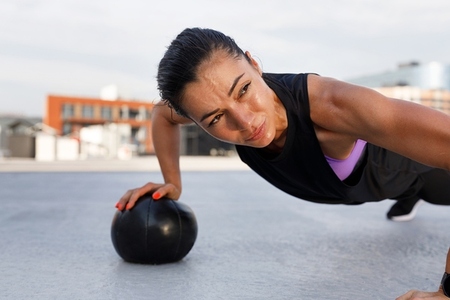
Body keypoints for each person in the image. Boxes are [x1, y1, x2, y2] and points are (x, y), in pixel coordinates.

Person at [116, 27, 450, 298]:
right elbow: (162, 113)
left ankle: (414, 192)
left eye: (244, 89)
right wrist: (172, 181)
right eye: (216, 118)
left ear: (254, 63)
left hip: (419, 170)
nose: (245, 122)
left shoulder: (331, 106)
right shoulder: (201, 103)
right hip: (373, 185)